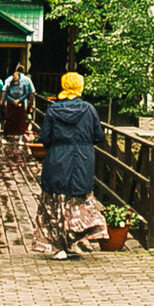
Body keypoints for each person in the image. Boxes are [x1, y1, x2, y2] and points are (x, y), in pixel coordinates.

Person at [34, 72, 107, 259]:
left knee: (56, 202)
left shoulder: (53, 110)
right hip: (82, 159)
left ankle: (58, 247)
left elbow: (45, 138)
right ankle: (75, 240)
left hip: (58, 158)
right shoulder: (89, 109)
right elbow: (98, 136)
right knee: (78, 200)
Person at [0, 65, 34, 163]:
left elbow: (27, 93)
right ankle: (8, 135)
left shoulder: (22, 82)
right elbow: (5, 91)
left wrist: (19, 100)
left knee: (18, 119)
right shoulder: (12, 81)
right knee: (11, 119)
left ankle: (19, 136)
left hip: (20, 103)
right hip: (12, 103)